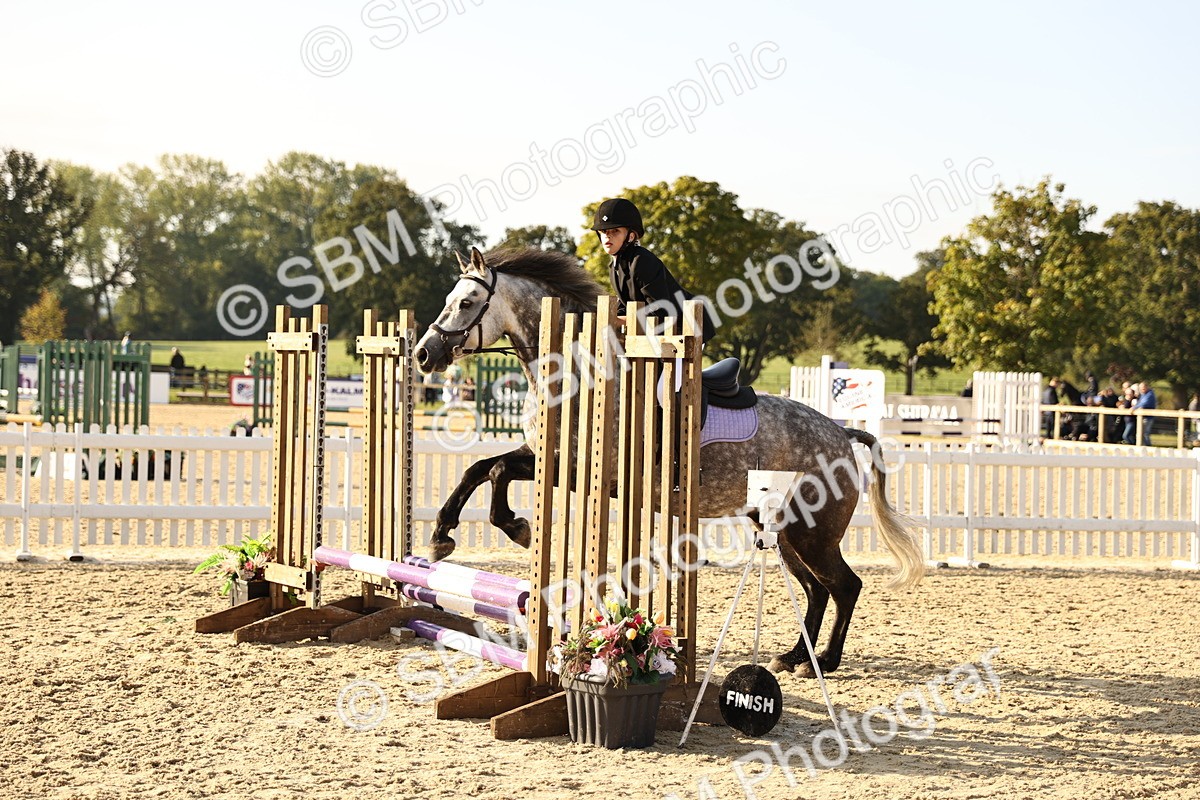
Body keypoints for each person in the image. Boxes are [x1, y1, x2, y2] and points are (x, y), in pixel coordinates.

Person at [591, 198, 717, 343]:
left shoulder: (642, 260)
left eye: (615, 231)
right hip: (662, 333)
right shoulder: (614, 267)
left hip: (687, 330)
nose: (608, 235)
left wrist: (620, 320)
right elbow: (626, 306)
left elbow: (660, 310)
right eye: (604, 231)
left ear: (631, 236)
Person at [1132, 381, 1157, 446]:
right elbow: (1140, 403)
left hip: (1148, 417)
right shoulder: (1143, 395)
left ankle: (1148, 447)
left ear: (1147, 387)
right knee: (1141, 433)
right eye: (1140, 388)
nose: (1141, 390)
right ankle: (1143, 446)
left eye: (1143, 388)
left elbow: (1144, 403)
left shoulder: (1150, 394)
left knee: (1145, 433)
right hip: (1143, 417)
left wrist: (1134, 408)